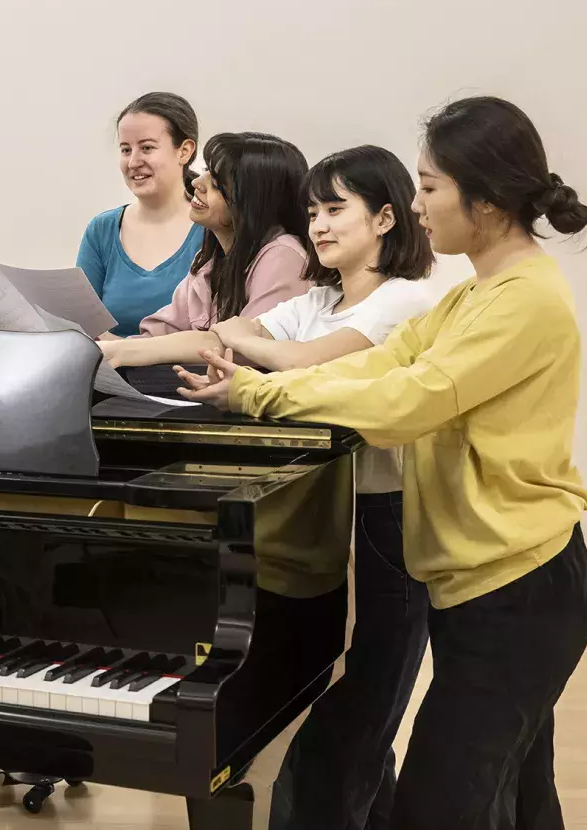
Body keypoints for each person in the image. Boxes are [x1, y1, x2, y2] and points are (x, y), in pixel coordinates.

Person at [175, 96, 587, 830]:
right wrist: (258, 390)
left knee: (441, 803)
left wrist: (259, 397)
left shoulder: (525, 301)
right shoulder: (472, 294)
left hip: (519, 588)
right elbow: (383, 366)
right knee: (515, 798)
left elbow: (408, 400)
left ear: (485, 197)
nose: (419, 204)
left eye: (430, 187)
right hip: (479, 586)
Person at [177, 144, 435, 829]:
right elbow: (221, 336)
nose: (318, 225)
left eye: (335, 210)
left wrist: (247, 357)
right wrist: (109, 352)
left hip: (381, 520)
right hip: (310, 521)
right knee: (354, 730)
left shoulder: (407, 300)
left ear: (385, 218)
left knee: (358, 717)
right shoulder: (318, 298)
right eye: (313, 210)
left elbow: (304, 365)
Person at [98, 132, 313, 368]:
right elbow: (161, 331)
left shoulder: (284, 257)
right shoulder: (209, 261)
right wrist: (113, 346)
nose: (196, 183)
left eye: (217, 185)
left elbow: (248, 348)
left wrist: (127, 350)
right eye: (205, 173)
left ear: (251, 203)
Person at [77, 92, 204, 336]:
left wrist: (124, 348)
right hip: (106, 371)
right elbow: (83, 324)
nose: (133, 161)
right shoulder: (102, 229)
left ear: (184, 151)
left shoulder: (213, 229)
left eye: (146, 148)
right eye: (126, 150)